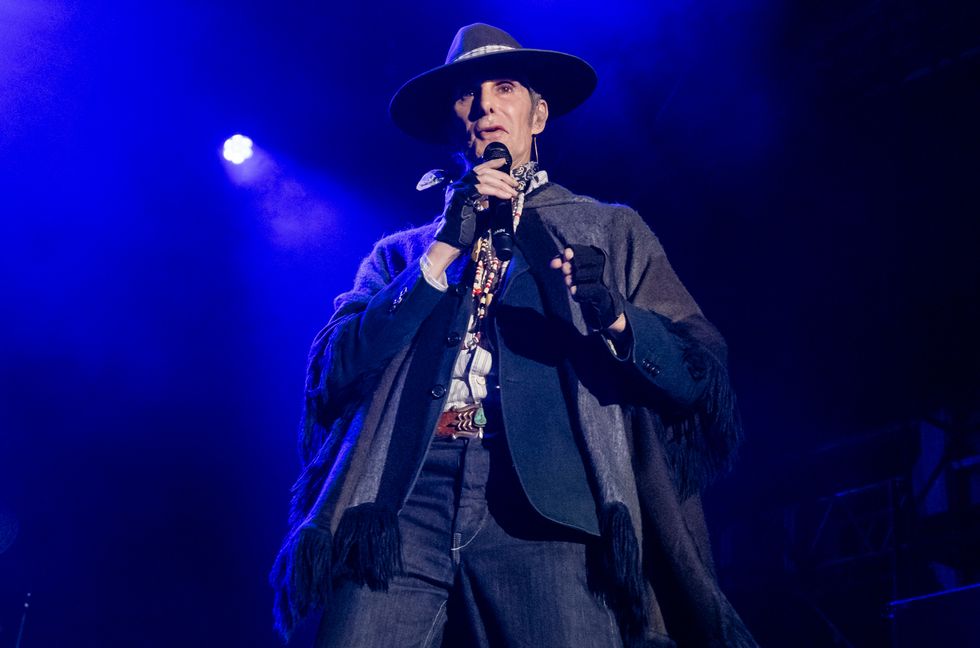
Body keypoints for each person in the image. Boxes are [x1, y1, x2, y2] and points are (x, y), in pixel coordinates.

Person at [270, 23, 756, 648]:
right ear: (455, 123)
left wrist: (614, 317)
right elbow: (334, 371)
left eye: (505, 88)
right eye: (467, 95)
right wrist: (445, 249)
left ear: (538, 114)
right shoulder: (402, 255)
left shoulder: (608, 229)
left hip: (547, 502)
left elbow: (697, 374)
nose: (486, 105)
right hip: (401, 506)